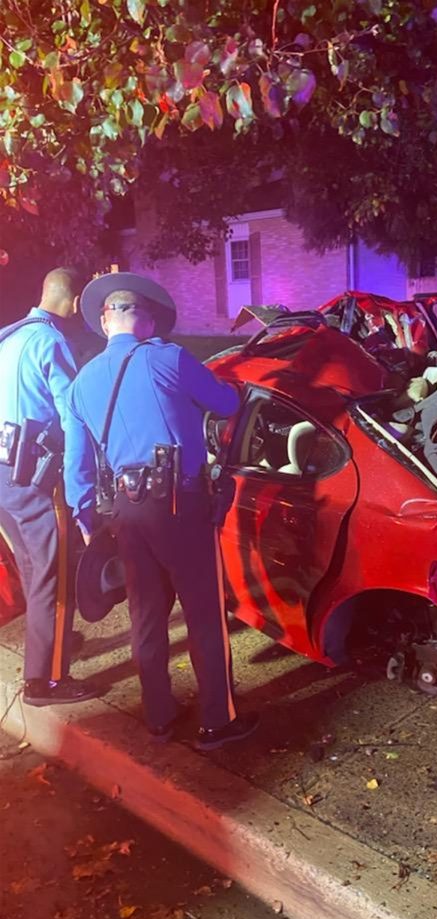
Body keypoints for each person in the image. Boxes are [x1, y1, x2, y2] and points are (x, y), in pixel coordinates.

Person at [63, 272, 257, 751]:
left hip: (125, 512)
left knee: (146, 616)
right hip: (179, 503)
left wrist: (88, 522)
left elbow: (76, 465)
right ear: (145, 320)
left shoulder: (81, 383)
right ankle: (216, 721)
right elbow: (227, 402)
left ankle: (159, 715)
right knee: (204, 614)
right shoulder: (168, 358)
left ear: (106, 322)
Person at [0, 267, 101, 706]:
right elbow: (72, 420)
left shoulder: (10, 336)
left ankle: (49, 643)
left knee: (30, 567)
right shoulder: (50, 342)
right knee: (53, 575)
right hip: (31, 481)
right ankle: (47, 681)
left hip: (3, 477)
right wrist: (83, 488)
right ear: (76, 302)